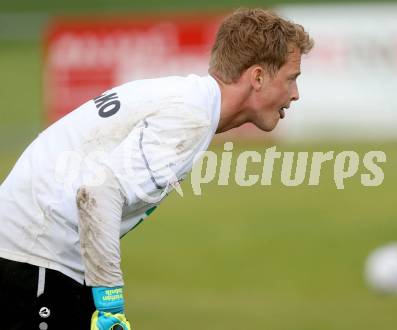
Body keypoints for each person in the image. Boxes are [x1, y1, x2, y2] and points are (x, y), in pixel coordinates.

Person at [0, 8, 313, 330]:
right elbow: (97, 193)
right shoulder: (191, 116)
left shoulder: (187, 98)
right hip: (32, 259)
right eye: (292, 78)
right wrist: (110, 304)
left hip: (30, 254)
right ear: (258, 77)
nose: (295, 94)